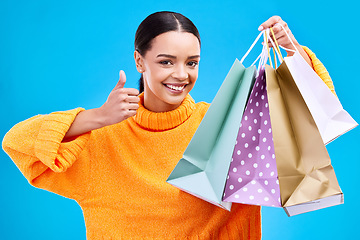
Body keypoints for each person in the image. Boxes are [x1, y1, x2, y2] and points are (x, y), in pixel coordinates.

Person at [2, 11, 335, 239]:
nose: (181, 75)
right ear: (139, 61)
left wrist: (292, 52)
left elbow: (310, 124)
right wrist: (97, 117)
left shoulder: (225, 123)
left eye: (191, 63)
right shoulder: (102, 141)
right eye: (166, 62)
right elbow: (16, 142)